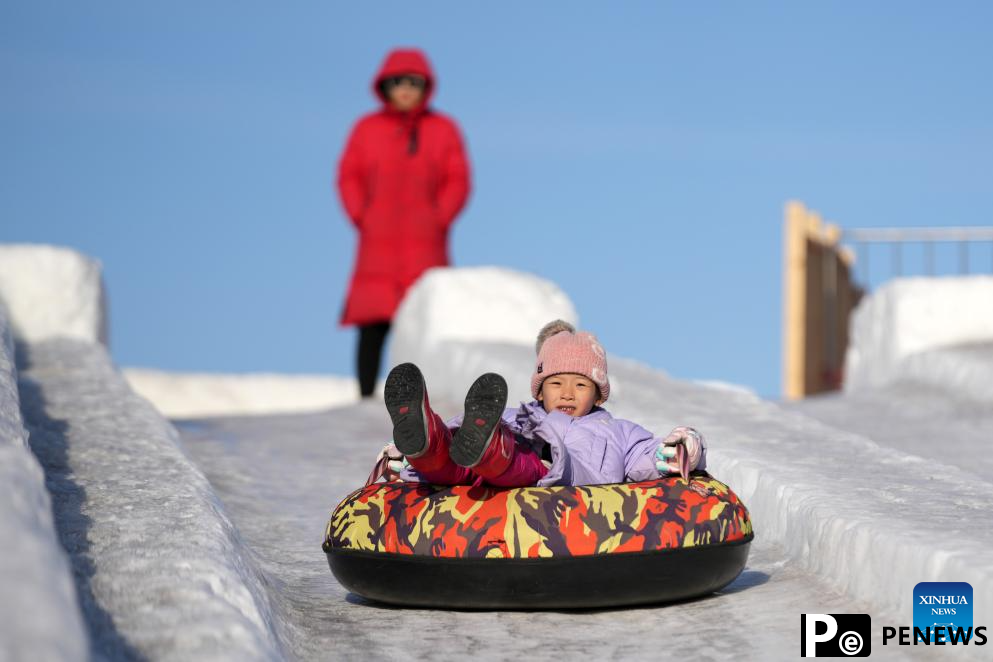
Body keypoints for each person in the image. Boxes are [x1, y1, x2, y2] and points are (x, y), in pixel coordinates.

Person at [374, 320, 707, 487]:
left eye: (580, 384)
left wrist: (681, 449)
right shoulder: (518, 416)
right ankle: (424, 442)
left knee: (518, 459)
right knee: (459, 450)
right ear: (539, 389)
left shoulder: (618, 432)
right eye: (556, 383)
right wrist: (403, 456)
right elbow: (465, 428)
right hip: (484, 478)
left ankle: (489, 447)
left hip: (549, 478)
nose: (567, 393)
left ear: (598, 393)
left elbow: (645, 456)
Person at [337, 48, 470, 398]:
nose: (406, 89)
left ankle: (417, 401)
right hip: (376, 241)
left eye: (414, 82)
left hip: (426, 242)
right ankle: (365, 395)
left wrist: (439, 217)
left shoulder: (443, 129)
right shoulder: (366, 129)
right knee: (372, 324)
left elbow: (458, 178)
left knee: (420, 324)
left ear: (426, 87)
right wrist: (361, 214)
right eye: (398, 82)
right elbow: (348, 175)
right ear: (385, 86)